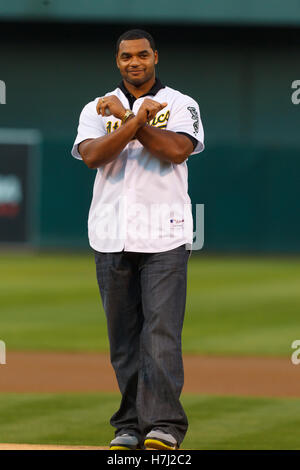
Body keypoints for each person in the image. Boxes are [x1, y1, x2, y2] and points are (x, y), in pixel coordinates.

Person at [71, 29, 204, 450]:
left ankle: (163, 426)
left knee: (161, 334)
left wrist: (134, 121)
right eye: (127, 56)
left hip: (165, 234)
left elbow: (176, 151)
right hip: (111, 233)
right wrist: (136, 119)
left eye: (142, 55)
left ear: (155, 57)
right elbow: (93, 156)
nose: (135, 62)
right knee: (123, 340)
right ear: (118, 61)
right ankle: (128, 425)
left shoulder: (181, 104)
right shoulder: (96, 107)